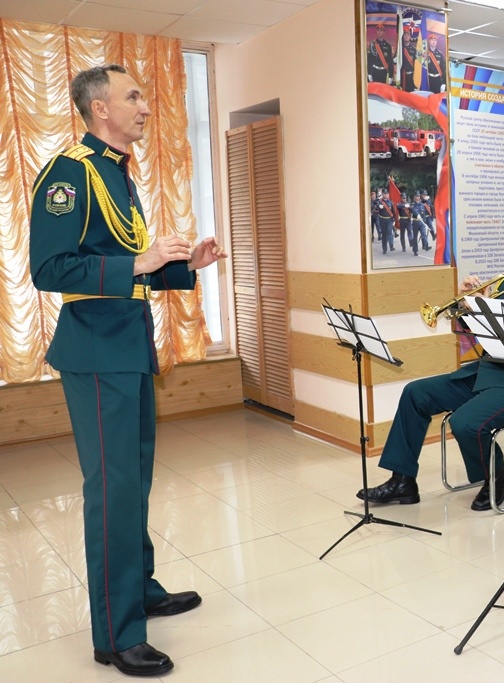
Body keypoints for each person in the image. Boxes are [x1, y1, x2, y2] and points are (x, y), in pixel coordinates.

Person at [29, 64, 228, 677]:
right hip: (96, 352)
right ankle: (116, 636)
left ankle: (138, 589)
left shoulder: (116, 172)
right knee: (112, 491)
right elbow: (50, 269)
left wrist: (184, 266)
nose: (144, 106)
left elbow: (126, 265)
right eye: (133, 96)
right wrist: (140, 263)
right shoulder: (70, 174)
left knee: (133, 481)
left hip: (128, 346)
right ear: (100, 109)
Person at [357, 224, 504, 510]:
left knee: (464, 422)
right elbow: (474, 331)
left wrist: (490, 309)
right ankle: (402, 480)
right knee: (415, 393)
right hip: (488, 372)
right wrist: (466, 303)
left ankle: (498, 474)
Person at [399, 27, 416, 92]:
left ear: (410, 37)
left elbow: (417, 64)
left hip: (411, 76)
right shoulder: (400, 49)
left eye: (408, 35)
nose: (406, 36)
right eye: (405, 35)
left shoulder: (414, 50)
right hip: (402, 76)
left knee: (411, 94)